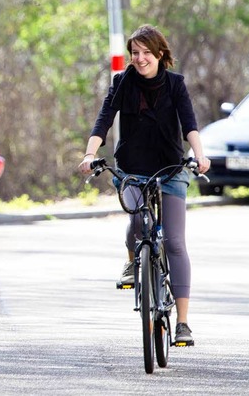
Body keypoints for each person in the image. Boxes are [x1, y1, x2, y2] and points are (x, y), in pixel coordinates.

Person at [78, 24, 210, 346]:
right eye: (134, 53)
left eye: (146, 53)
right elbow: (104, 119)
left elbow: (189, 124)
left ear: (160, 53)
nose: (139, 59)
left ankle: (182, 323)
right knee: (137, 220)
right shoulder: (123, 82)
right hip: (133, 167)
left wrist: (199, 154)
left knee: (175, 242)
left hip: (170, 168)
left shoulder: (175, 85)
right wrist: (90, 153)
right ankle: (130, 261)